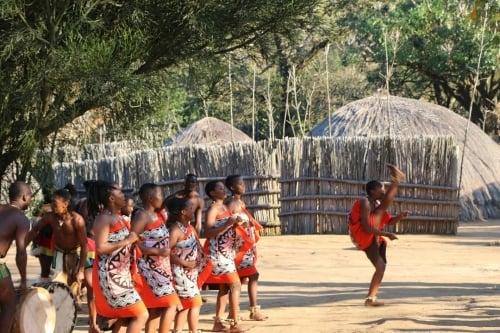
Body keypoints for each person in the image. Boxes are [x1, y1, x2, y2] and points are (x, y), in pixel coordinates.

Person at [88, 180, 148, 333]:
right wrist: (127, 240)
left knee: (124, 317)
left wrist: (133, 241)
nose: (124, 195)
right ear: (111, 198)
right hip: (110, 276)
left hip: (121, 275)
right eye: (120, 192)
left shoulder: (118, 218)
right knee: (141, 314)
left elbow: (119, 243)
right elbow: (101, 248)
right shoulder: (103, 219)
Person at [348, 163, 411, 306]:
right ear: (372, 190)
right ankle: (397, 180)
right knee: (380, 267)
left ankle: (370, 299)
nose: (383, 190)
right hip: (365, 236)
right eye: (381, 188)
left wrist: (400, 217)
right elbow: (366, 226)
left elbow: (389, 221)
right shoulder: (364, 202)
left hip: (373, 237)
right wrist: (387, 234)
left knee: (381, 268)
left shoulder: (375, 205)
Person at [132, 183, 180, 333]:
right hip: (149, 269)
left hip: (161, 268)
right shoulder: (142, 216)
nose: (162, 198)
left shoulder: (157, 215)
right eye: (160, 194)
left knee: (155, 310)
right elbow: (131, 243)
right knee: (171, 304)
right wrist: (157, 251)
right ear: (149, 197)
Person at [225, 175, 268, 321]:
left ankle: (236, 312)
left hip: (246, 245)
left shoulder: (239, 202)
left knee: (241, 279)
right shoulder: (231, 203)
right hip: (239, 246)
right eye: (240, 184)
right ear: (232, 187)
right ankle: (250, 310)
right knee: (249, 276)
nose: (244, 186)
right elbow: (230, 224)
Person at [204, 180, 244, 333]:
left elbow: (225, 226)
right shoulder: (213, 209)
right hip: (218, 254)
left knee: (224, 288)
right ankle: (234, 323)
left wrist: (235, 224)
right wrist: (228, 224)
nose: (224, 189)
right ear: (213, 193)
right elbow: (207, 233)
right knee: (235, 285)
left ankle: (218, 323)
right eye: (220, 188)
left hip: (227, 252)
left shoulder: (224, 207)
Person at [26, 187, 87, 287]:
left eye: (54, 203)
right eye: (51, 202)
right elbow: (35, 230)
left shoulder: (77, 220)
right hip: (58, 253)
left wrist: (81, 270)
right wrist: (22, 245)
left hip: (74, 255)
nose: (51, 205)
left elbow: (84, 245)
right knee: (58, 286)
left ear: (65, 204)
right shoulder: (50, 217)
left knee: (74, 288)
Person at [168, 197, 211, 333]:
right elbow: (166, 253)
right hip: (180, 272)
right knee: (195, 303)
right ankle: (194, 330)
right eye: (191, 209)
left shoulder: (189, 227)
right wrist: (185, 262)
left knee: (186, 305)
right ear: (183, 212)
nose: (194, 211)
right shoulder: (175, 230)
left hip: (190, 272)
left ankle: (177, 330)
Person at [0, 181, 32, 331]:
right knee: (10, 305)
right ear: (25, 197)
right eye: (30, 196)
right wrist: (24, 280)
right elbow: (21, 253)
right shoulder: (21, 219)